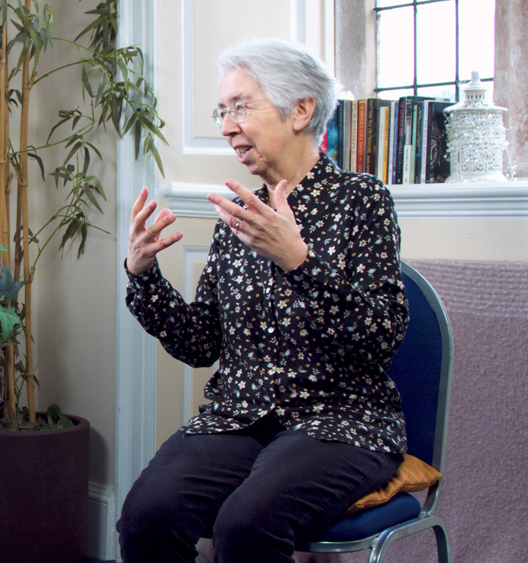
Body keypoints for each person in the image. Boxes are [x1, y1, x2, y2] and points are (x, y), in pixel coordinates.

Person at [116, 38, 409, 563]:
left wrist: (298, 260)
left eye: (241, 107)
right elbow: (202, 343)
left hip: (341, 421)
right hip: (241, 417)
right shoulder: (239, 218)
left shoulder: (362, 200)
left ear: (301, 111)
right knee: (146, 516)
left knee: (246, 526)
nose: (226, 126)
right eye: (222, 111)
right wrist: (145, 276)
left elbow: (379, 338)